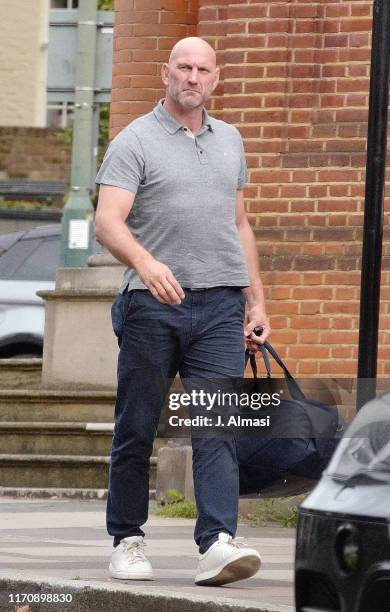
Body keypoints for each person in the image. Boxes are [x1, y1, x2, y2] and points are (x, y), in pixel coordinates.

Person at [94, 36, 271, 586]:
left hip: (220, 305)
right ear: (165, 73)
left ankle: (217, 542)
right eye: (183, 68)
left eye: (203, 70)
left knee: (216, 426)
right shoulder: (135, 140)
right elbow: (108, 220)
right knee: (138, 427)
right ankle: (127, 538)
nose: (192, 78)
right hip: (152, 307)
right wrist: (146, 265)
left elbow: (237, 224)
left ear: (216, 79)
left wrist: (256, 297)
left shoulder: (231, 140)